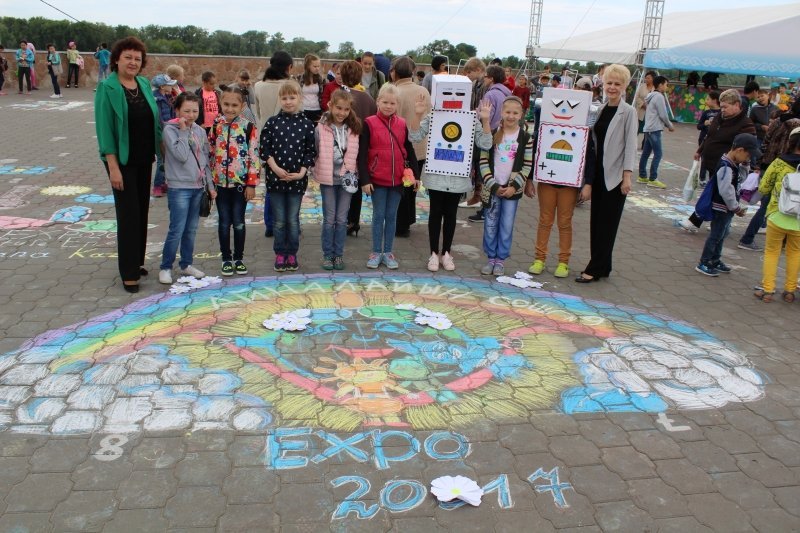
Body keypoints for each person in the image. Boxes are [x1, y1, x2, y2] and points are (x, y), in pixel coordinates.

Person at [94, 36, 161, 293]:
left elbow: (154, 121)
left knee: (142, 211)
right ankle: (128, 272)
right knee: (128, 214)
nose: (133, 62)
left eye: (137, 58)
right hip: (121, 161)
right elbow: (105, 130)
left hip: (145, 158)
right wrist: (112, 167)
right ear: (116, 60)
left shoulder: (143, 83)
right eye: (128, 57)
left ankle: (137, 260)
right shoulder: (107, 88)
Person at [576, 64, 638, 283]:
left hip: (616, 177)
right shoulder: (601, 109)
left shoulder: (628, 112)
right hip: (599, 175)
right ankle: (604, 266)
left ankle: (594, 268)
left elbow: (631, 146)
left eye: (617, 84)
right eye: (609, 83)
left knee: (607, 225)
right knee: (597, 222)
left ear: (625, 87)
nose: (612, 87)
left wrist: (627, 176)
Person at [158, 92, 217, 285]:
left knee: (191, 229)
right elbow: (181, 155)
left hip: (197, 187)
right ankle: (166, 267)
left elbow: (205, 161)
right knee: (177, 229)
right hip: (179, 188)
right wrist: (183, 131)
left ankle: (186, 264)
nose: (191, 115)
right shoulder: (170, 130)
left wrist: (210, 185)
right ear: (177, 110)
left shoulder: (200, 131)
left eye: (195, 111)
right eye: (186, 111)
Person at [358, 83, 420, 269]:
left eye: (392, 103)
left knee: (391, 216)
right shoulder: (369, 123)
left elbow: (408, 149)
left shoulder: (402, 124)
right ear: (378, 101)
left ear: (397, 104)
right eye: (385, 102)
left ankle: (388, 252)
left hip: (397, 180)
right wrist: (365, 179)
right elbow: (362, 153)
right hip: (377, 180)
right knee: (378, 216)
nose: (388, 106)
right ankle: (376, 251)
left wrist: (416, 175)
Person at [680, 89, 756, 231]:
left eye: (725, 107)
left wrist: (744, 165)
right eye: (721, 106)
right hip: (711, 162)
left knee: (713, 192)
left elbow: (748, 147)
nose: (722, 110)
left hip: (726, 167)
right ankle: (719, 222)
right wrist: (700, 150)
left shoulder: (746, 124)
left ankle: (696, 221)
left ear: (737, 105)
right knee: (717, 194)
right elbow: (710, 135)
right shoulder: (719, 117)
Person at [260, 80, 316, 272]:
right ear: (280, 99)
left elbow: (310, 151)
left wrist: (302, 172)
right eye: (284, 98)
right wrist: (274, 167)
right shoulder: (272, 123)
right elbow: (264, 148)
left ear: (300, 98)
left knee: (292, 219)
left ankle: (291, 253)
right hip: (275, 179)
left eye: (292, 97)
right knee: (279, 220)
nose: (288, 101)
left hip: (297, 181)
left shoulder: (307, 124)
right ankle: (280, 253)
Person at [478, 96, 534, 277]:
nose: (511, 116)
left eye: (515, 113)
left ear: (521, 115)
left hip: (512, 191)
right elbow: (483, 160)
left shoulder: (526, 138)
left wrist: (514, 186)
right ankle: (491, 259)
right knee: (490, 224)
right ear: (502, 113)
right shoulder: (493, 134)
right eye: (508, 112)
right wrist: (492, 185)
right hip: (492, 188)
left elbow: (527, 165)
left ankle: (501, 260)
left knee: (506, 225)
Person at [209, 86, 261, 276]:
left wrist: (251, 184)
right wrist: (209, 183)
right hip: (220, 185)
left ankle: (238, 258)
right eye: (226, 104)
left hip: (240, 186)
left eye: (234, 105)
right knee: (224, 222)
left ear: (242, 106)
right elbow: (211, 153)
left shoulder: (248, 127)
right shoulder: (216, 124)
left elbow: (254, 156)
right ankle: (226, 258)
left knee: (238, 222)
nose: (230, 109)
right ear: (221, 103)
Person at [694, 134, 761, 276]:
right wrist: (735, 207)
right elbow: (726, 190)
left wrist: (745, 166)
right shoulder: (725, 166)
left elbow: (741, 180)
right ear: (739, 150)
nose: (749, 159)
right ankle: (704, 262)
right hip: (721, 207)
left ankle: (715, 259)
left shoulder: (734, 164)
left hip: (727, 207)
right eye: (748, 156)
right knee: (716, 235)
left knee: (723, 233)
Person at [314, 89, 361, 270]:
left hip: (346, 180)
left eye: (346, 109)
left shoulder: (354, 128)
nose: (342, 113)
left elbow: (356, 155)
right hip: (328, 180)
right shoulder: (321, 127)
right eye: (338, 108)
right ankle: (327, 255)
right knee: (329, 219)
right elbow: (315, 150)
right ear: (330, 106)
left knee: (342, 220)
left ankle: (338, 255)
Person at [754, 127, 800, 302]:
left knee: (772, 252)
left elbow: (764, 187)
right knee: (795, 253)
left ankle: (768, 290)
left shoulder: (780, 162)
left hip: (777, 214)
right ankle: (789, 290)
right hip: (798, 221)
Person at [254, 50, 293, 238]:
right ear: (288, 67)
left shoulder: (258, 86)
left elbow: (259, 113)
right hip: (287, 136)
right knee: (289, 180)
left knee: (271, 182)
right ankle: (288, 223)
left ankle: (270, 223)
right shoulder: (289, 86)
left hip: (265, 135)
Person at [468, 64, 511, 224]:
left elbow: (483, 117)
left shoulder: (491, 95)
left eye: (486, 76)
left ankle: (485, 209)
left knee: (485, 171)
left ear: (491, 78)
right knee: (496, 172)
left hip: (489, 135)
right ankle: (491, 208)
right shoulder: (507, 93)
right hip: (503, 135)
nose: (484, 78)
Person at [339, 60, 378, 237]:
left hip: (342, 146)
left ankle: (341, 219)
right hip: (362, 146)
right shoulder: (368, 97)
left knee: (341, 182)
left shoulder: (339, 96)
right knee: (356, 182)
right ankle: (354, 221)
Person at [637, 75, 674, 189]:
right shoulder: (659, 96)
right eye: (666, 84)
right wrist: (670, 125)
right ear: (660, 85)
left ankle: (642, 176)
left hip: (649, 128)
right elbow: (663, 114)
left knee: (646, 153)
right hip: (654, 129)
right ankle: (653, 178)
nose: (666, 87)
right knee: (658, 154)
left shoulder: (651, 95)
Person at [151, 73, 177, 197]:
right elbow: (159, 119)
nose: (172, 87)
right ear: (162, 87)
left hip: (168, 131)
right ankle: (157, 186)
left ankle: (162, 183)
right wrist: (163, 133)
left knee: (167, 159)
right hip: (161, 134)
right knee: (162, 160)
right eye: (169, 85)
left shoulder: (166, 97)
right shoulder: (157, 100)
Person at [298, 53, 325, 123]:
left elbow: (322, 95)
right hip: (303, 109)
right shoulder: (300, 78)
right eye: (315, 66)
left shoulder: (321, 79)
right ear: (308, 66)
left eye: (318, 66)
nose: (317, 68)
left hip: (317, 109)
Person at [194, 71, 220, 135]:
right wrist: (199, 123)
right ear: (204, 82)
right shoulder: (198, 94)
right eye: (211, 84)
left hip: (215, 123)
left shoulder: (216, 93)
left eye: (214, 83)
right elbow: (196, 109)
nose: (214, 86)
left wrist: (220, 113)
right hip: (205, 125)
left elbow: (219, 105)